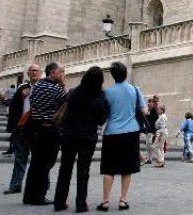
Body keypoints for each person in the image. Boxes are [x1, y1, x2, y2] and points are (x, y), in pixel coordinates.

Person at [54, 66, 110, 212]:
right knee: (83, 170)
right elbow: (101, 120)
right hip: (87, 136)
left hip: (69, 134)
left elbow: (61, 107)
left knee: (65, 168)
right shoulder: (100, 97)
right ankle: (80, 203)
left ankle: (59, 202)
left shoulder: (73, 93)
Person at [98, 61, 147, 211]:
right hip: (131, 132)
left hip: (112, 132)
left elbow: (103, 115)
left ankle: (106, 201)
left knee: (109, 168)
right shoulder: (135, 90)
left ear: (112, 75)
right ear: (125, 74)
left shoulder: (107, 93)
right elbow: (144, 111)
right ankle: (123, 200)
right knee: (127, 169)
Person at [23, 62, 68, 206]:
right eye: (61, 72)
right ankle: (39, 196)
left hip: (35, 127)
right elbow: (65, 104)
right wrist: (63, 85)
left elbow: (32, 102)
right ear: (52, 73)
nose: (63, 75)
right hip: (49, 130)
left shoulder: (37, 86)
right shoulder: (55, 89)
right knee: (46, 163)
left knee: (36, 162)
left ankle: (29, 195)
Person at [3, 64, 41, 195]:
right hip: (22, 126)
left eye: (37, 70)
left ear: (40, 73)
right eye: (32, 71)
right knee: (19, 158)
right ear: (29, 73)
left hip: (37, 128)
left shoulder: (43, 88)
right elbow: (14, 108)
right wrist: (20, 96)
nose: (35, 72)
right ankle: (15, 185)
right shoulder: (22, 89)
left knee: (39, 159)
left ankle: (39, 187)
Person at [141, 96, 159, 165]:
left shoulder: (153, 110)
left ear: (152, 103)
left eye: (150, 103)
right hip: (148, 130)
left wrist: (148, 115)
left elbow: (154, 118)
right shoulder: (149, 110)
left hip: (151, 129)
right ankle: (149, 159)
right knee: (148, 145)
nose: (148, 104)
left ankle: (159, 156)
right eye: (148, 103)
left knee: (150, 144)